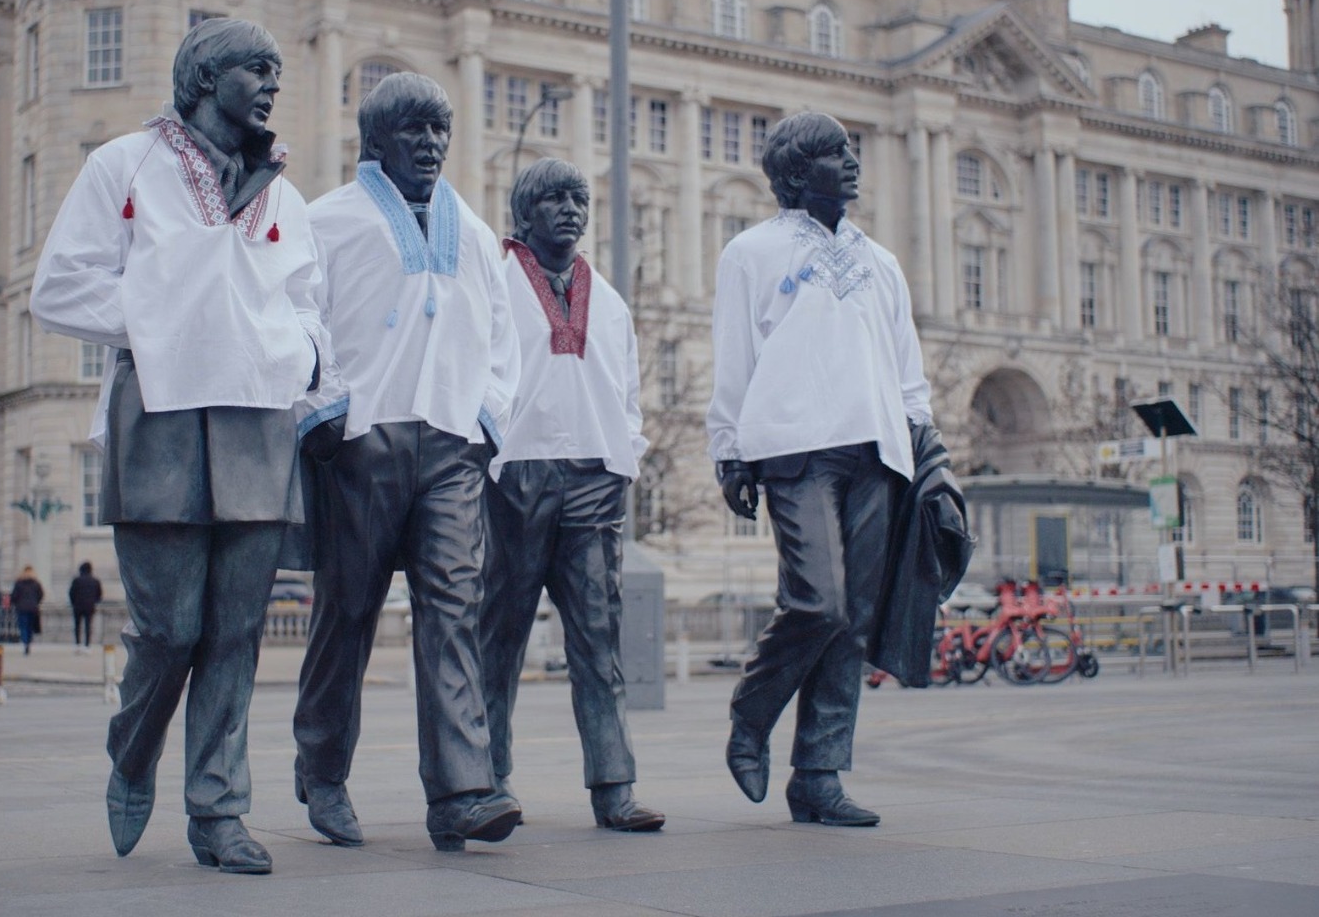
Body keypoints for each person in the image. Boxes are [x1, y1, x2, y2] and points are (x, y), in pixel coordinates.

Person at [31, 17, 331, 875]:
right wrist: (168, 327)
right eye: (255, 68)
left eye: (279, 69)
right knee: (169, 631)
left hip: (258, 421)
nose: (273, 84)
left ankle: (218, 809)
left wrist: (299, 353)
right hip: (158, 413)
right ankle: (133, 749)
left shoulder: (287, 194)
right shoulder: (122, 165)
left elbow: (308, 301)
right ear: (203, 75)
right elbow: (59, 287)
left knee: (236, 634)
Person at [293, 71, 521, 852]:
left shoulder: (480, 235)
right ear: (376, 140)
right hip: (365, 440)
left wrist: (487, 419)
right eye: (413, 130)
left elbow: (502, 343)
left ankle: (460, 792)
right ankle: (322, 770)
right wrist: (328, 409)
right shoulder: (327, 221)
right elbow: (300, 320)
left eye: (439, 130)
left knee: (455, 612)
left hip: (452, 446)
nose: (430, 144)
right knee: (346, 612)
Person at [706, 112, 935, 828]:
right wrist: (729, 450)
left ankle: (819, 775)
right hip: (793, 449)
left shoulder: (882, 262)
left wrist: (930, 454)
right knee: (819, 602)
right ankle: (752, 710)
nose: (853, 161)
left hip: (877, 451)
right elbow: (735, 357)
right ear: (798, 173)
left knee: (854, 622)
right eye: (836, 153)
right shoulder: (751, 252)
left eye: (850, 148)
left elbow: (907, 370)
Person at [480, 158, 663, 833]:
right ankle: (486, 781)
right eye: (553, 199)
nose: (569, 210)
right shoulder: (495, 285)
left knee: (598, 641)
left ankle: (614, 786)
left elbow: (629, 392)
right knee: (498, 641)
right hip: (516, 477)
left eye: (578, 198)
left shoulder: (608, 298)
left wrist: (625, 458)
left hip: (591, 478)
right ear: (523, 214)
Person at [68, 561, 103, 654]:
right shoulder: (95, 581)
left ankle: (77, 644)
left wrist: (73, 602)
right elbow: (99, 594)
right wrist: (94, 602)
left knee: (77, 626)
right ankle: (87, 645)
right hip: (89, 606)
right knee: (88, 626)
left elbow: (71, 593)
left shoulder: (76, 580)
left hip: (78, 606)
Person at [9, 566, 44, 656]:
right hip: (33, 607)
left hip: (21, 607)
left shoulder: (19, 583)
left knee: (23, 626)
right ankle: (28, 642)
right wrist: (36, 602)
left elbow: (14, 596)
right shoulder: (36, 583)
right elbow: (41, 594)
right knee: (30, 627)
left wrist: (15, 603)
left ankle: (25, 642)